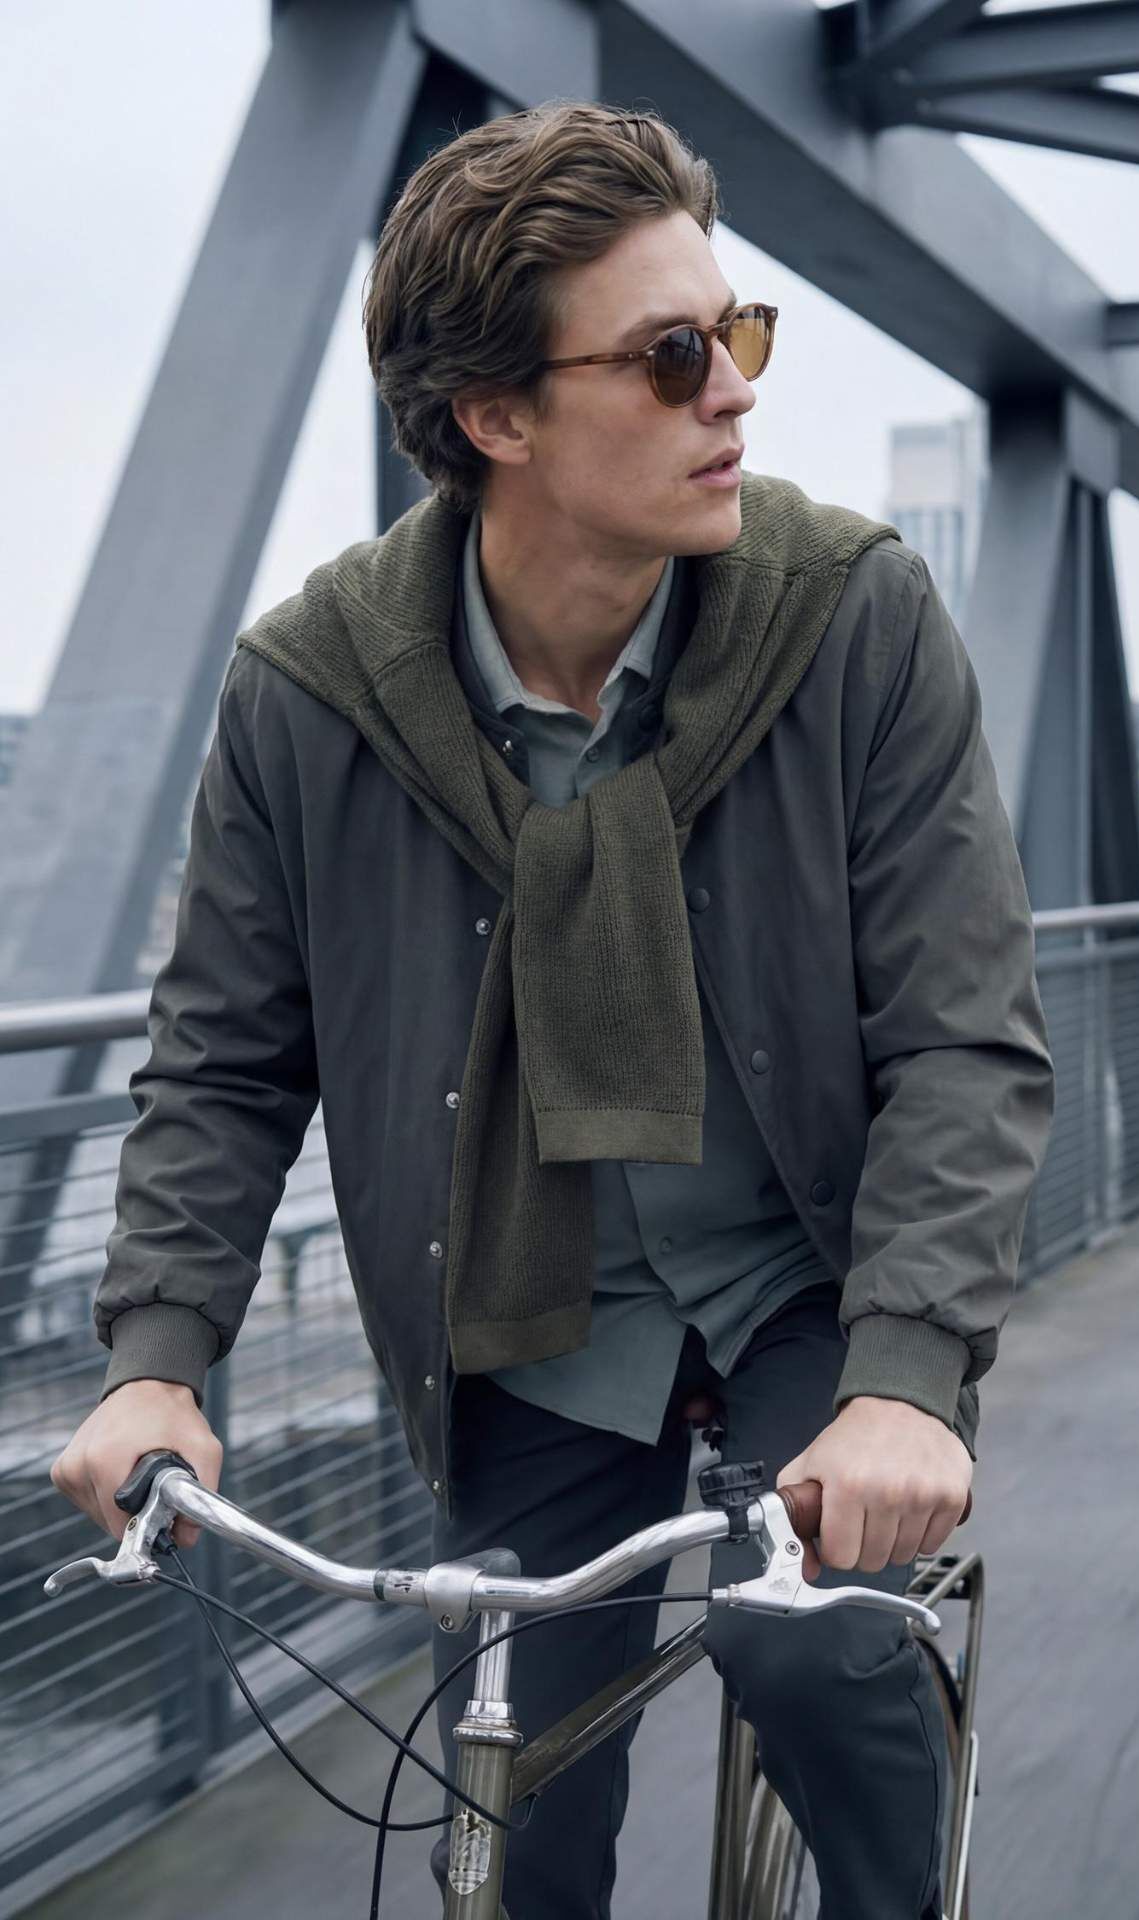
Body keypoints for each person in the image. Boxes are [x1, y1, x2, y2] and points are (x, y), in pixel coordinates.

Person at [51, 102, 1054, 1917]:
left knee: (810, 1651)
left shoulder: (853, 620)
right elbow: (223, 1066)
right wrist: (155, 1362)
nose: (733, 393)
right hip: (534, 1309)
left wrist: (908, 1384)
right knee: (511, 1809)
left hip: (806, 1275)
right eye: (673, 358)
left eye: (738, 335)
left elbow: (962, 1037)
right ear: (495, 419)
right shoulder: (312, 694)